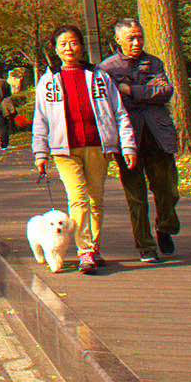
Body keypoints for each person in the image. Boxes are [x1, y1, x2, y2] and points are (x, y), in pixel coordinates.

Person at [31, 24, 137, 274]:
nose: (69, 48)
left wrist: (128, 145)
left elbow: (119, 112)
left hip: (98, 146)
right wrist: (40, 152)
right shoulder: (48, 81)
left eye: (73, 42)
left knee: (96, 199)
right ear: (56, 49)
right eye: (63, 44)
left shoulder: (100, 77)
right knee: (78, 199)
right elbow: (40, 119)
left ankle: (94, 246)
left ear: (81, 46)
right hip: (64, 150)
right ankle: (85, 250)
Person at [100, 18, 182, 263]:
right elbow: (110, 103)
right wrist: (145, 92)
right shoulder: (106, 68)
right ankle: (145, 244)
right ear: (118, 40)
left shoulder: (154, 62)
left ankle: (165, 227)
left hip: (158, 137)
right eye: (130, 38)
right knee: (136, 197)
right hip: (129, 140)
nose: (136, 42)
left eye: (139, 37)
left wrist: (131, 91)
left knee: (167, 190)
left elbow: (164, 91)